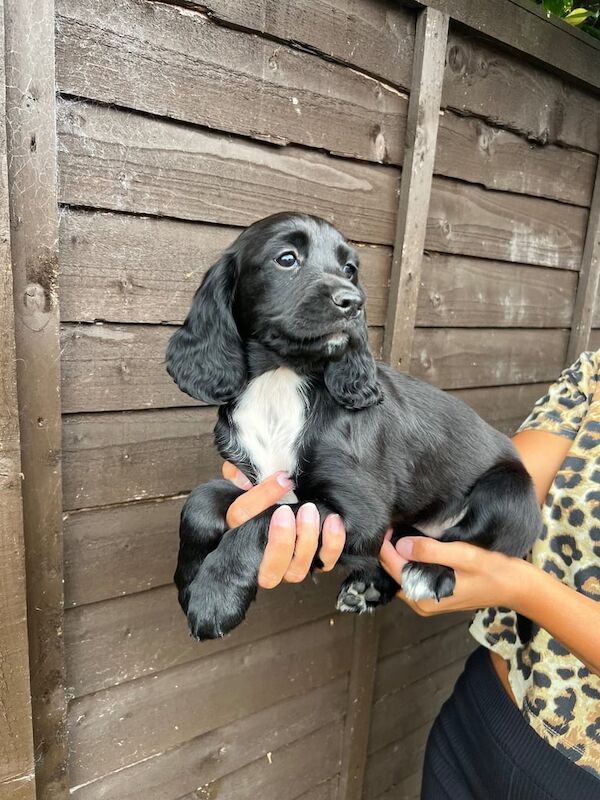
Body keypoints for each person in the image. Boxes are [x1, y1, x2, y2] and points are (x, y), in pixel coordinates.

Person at [222, 352, 600, 799]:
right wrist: (322, 466)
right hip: (484, 709)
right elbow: (499, 479)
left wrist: (522, 588)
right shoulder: (595, 371)